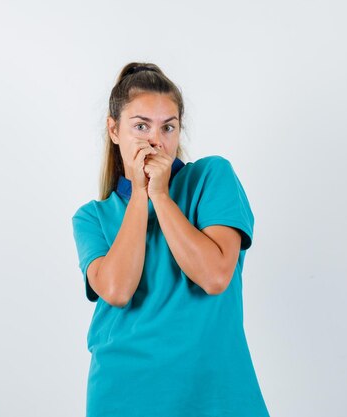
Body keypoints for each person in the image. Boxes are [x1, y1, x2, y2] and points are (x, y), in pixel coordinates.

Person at [71, 62, 271, 417]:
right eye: (140, 126)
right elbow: (117, 290)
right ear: (114, 130)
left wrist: (161, 196)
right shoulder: (92, 217)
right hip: (124, 394)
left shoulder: (211, 177)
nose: (155, 141)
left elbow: (214, 276)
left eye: (168, 127)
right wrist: (139, 194)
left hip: (216, 393)